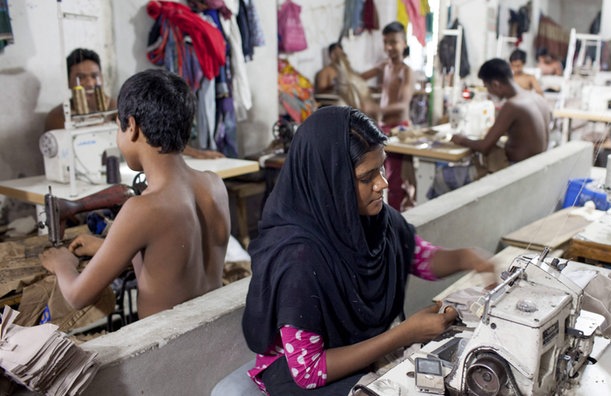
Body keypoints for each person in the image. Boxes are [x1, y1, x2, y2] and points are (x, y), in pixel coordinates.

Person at [239, 106, 494, 394]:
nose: (383, 183)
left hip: (353, 351)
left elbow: (420, 258)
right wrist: (405, 334)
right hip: (302, 373)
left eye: (382, 167)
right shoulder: (297, 258)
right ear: (330, 182)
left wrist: (466, 257)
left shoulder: (372, 220)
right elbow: (308, 371)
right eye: (366, 177)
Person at [40, 69, 230, 319]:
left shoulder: (142, 209)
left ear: (131, 127)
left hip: (165, 349)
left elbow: (77, 296)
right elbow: (173, 261)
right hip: (213, 336)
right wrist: (107, 247)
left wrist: (61, 264)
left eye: (118, 128)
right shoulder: (214, 185)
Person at [45, 48, 224, 159]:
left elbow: (153, 135)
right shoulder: (59, 118)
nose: (90, 83)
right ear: (69, 81)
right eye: (80, 77)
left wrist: (197, 154)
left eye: (94, 76)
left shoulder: (113, 107)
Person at [451, 58, 551, 164]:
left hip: (519, 171)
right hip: (538, 167)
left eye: (487, 87)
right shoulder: (538, 98)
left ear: (495, 85)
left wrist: (460, 139)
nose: (489, 92)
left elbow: (484, 147)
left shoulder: (512, 105)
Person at [361, 21, 416, 211]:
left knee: (395, 180)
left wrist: (376, 110)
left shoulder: (406, 71)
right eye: (386, 42)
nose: (389, 47)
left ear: (404, 43)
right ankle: (386, 215)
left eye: (394, 42)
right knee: (380, 173)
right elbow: (357, 78)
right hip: (382, 129)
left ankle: (395, 221)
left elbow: (403, 104)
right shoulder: (384, 66)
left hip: (399, 129)